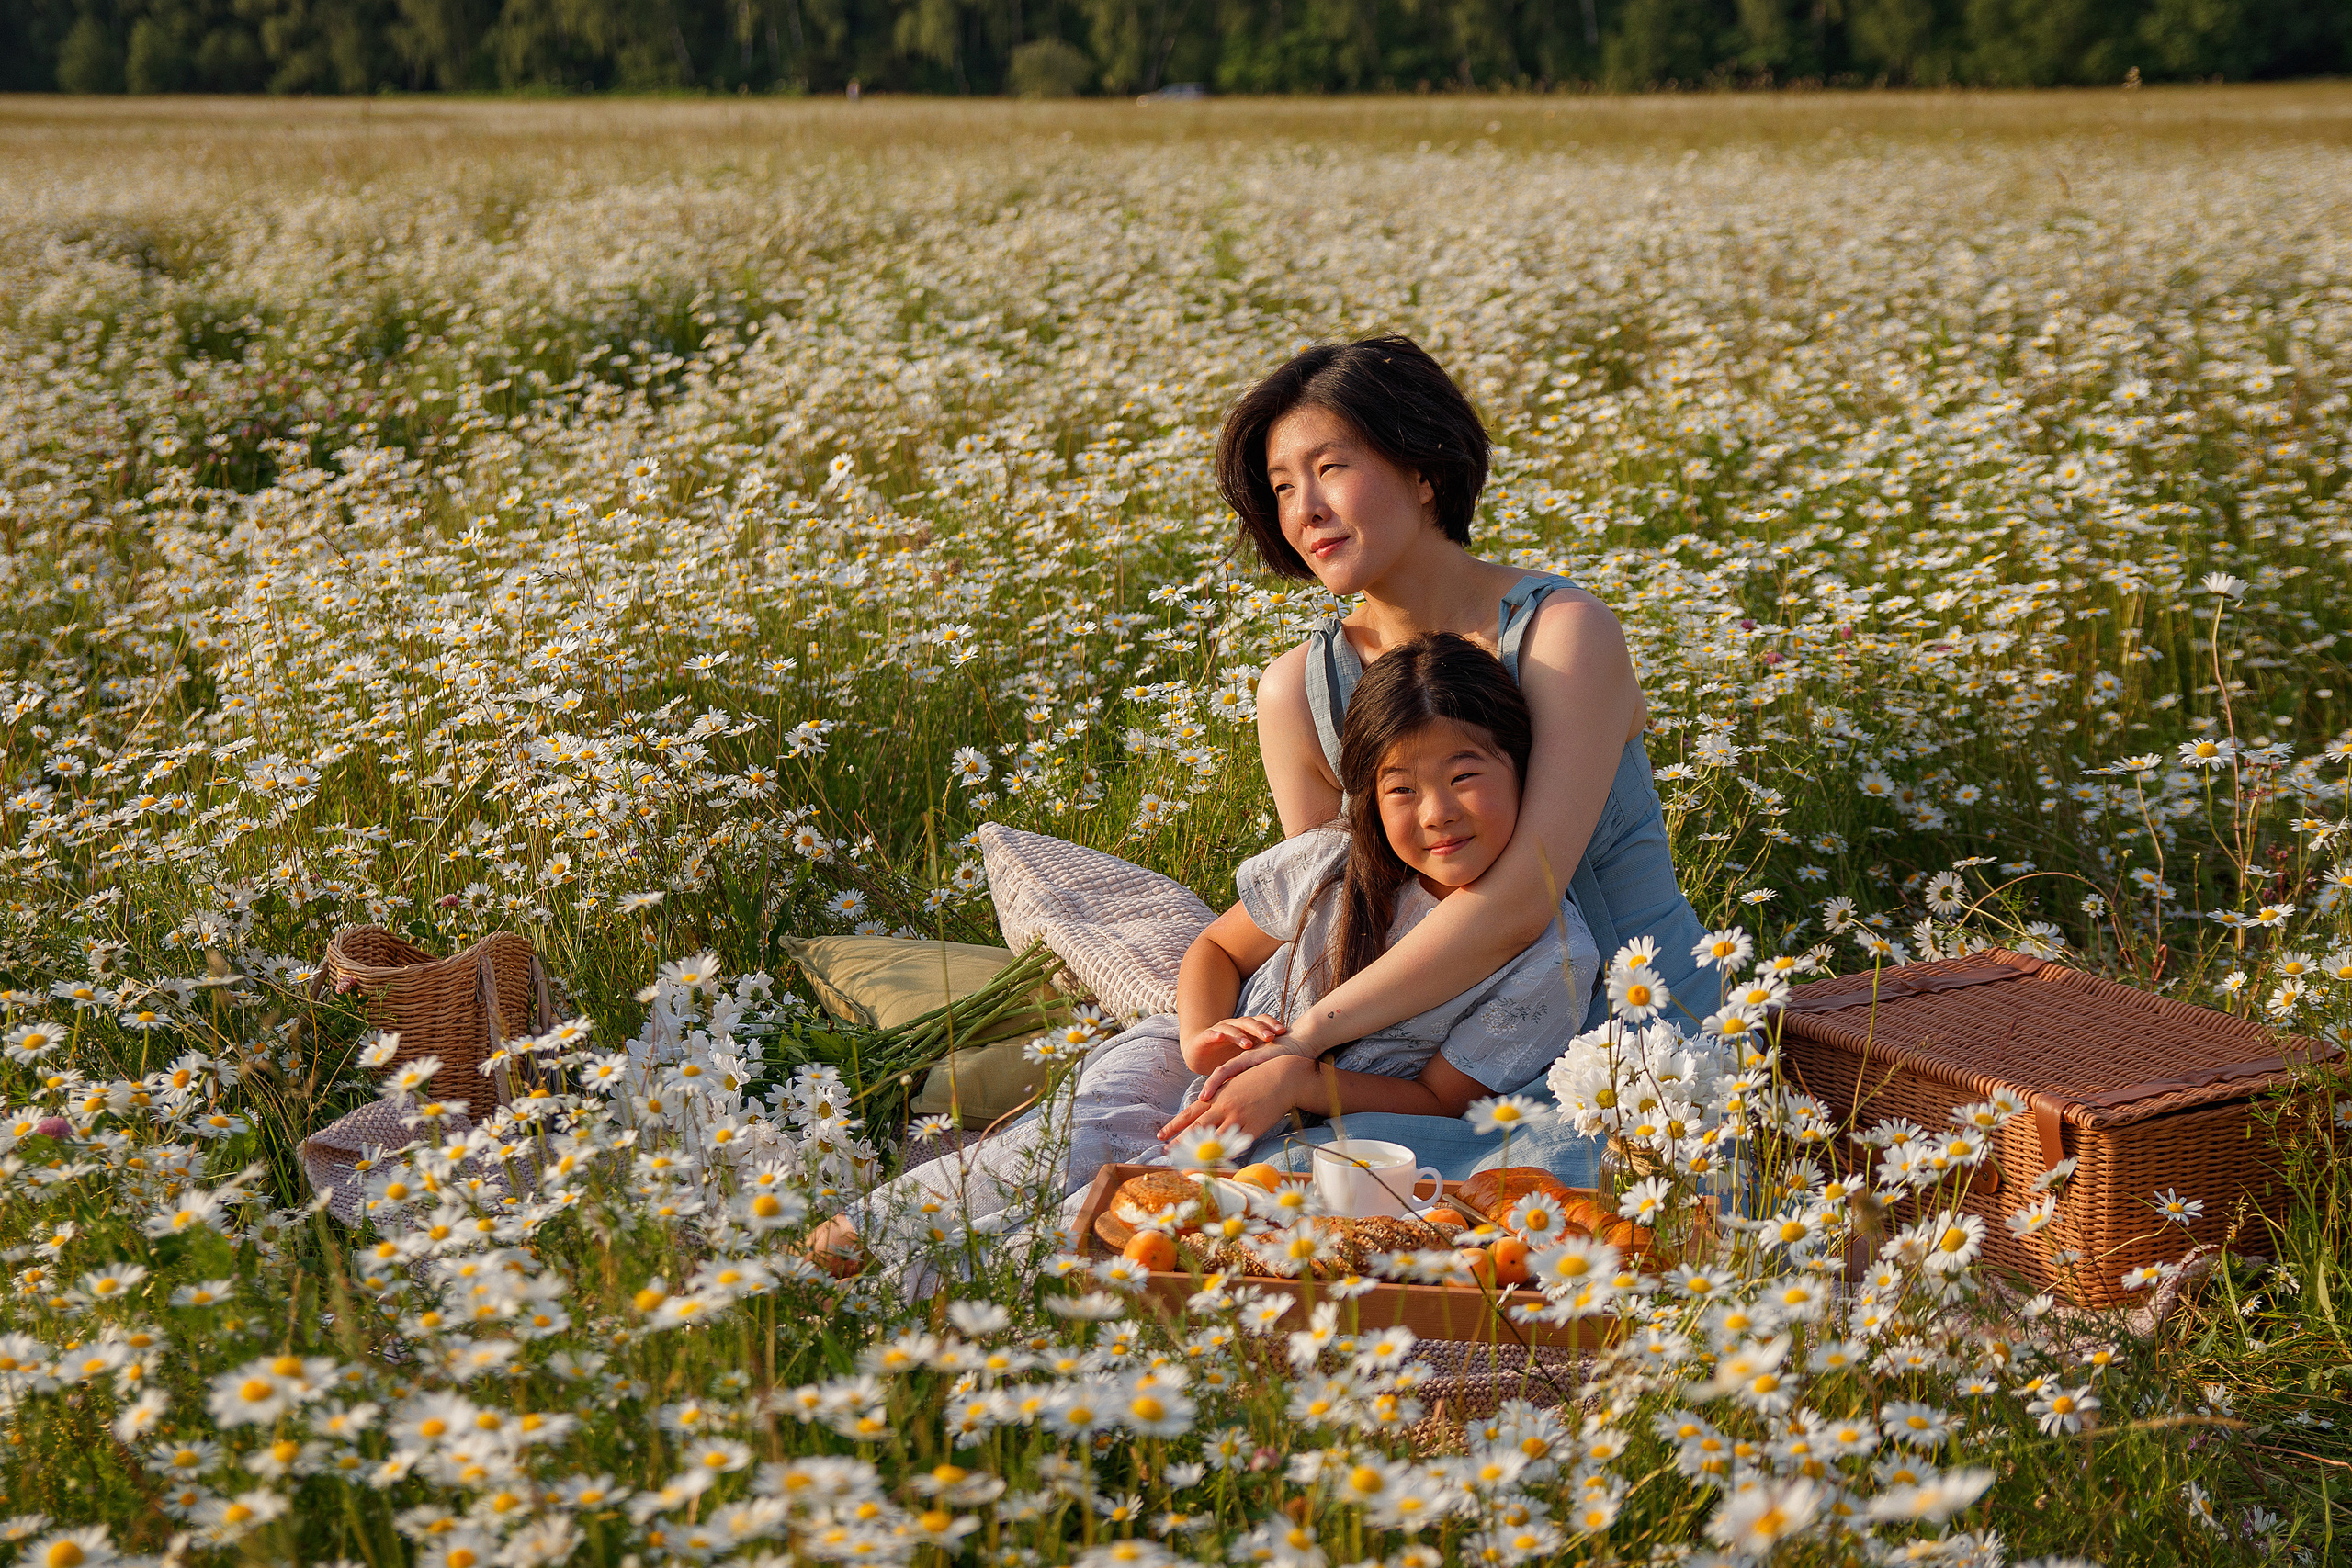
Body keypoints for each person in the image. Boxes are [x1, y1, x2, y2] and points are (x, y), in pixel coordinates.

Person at [805, 633, 1597, 1276]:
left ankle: (957, 1287)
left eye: (1465, 774)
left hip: (1339, 1114)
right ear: (1369, 795)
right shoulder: (1333, 862)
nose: (1437, 813)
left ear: (1523, 770)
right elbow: (1216, 947)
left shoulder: (1548, 954)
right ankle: (852, 1241)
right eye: (1402, 789)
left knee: (1159, 1207)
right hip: (1195, 1060)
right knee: (1074, 1133)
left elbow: (1438, 1097)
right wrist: (1196, 1034)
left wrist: (1300, 1082)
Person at [1195, 333, 1706, 1181]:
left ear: (1423, 470)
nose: (1305, 509)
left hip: (1632, 1036)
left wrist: (1304, 1043)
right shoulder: (1297, 690)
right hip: (1431, 1061)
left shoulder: (1563, 635)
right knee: (1249, 1177)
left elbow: (1523, 900)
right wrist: (1279, 1059)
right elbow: (1339, 915)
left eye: (1330, 468)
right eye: (1282, 487)